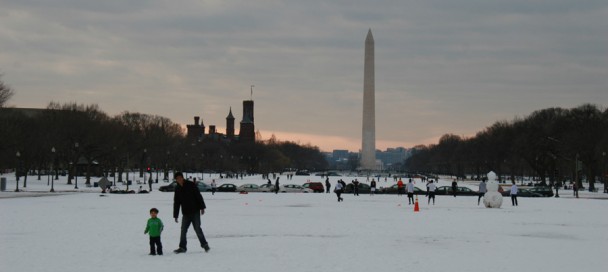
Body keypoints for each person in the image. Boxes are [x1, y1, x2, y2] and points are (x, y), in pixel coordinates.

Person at [173, 172, 210, 253]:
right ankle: (182, 247)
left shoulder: (191, 184)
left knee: (197, 229)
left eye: (180, 177)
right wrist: (176, 215)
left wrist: (202, 207)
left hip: (195, 211)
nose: (179, 179)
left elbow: (198, 195)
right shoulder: (177, 188)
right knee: (183, 230)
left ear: (182, 177)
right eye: (177, 179)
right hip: (185, 213)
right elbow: (176, 202)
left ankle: (205, 245)